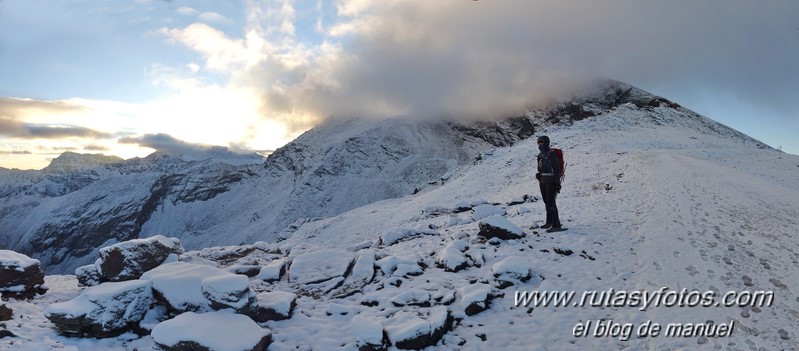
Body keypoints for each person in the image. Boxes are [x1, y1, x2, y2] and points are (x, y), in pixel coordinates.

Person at [535, 135, 562, 232]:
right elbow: (540, 167)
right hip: (542, 180)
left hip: (551, 180)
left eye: (541, 142)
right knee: (546, 202)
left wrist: (557, 183)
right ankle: (549, 221)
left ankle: (556, 225)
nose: (540, 144)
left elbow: (557, 169)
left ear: (546, 142)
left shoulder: (551, 154)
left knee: (551, 202)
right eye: (538, 142)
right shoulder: (540, 155)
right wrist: (539, 175)